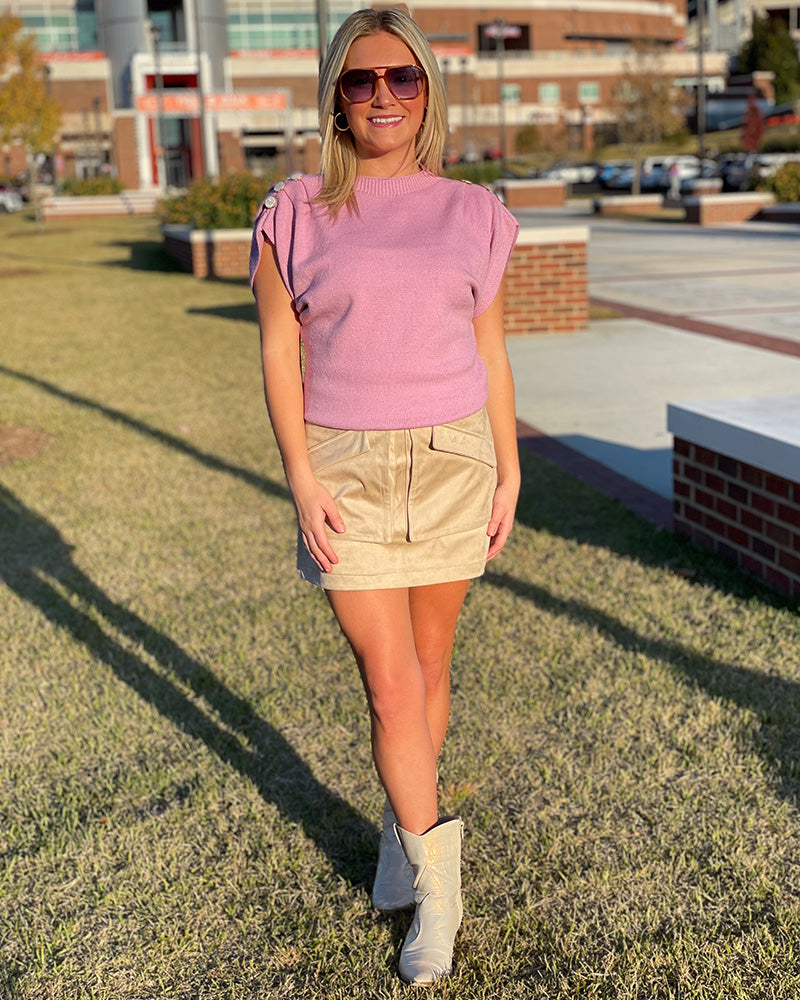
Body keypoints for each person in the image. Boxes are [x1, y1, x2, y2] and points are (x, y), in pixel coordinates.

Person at [250, 7, 519, 985]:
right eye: (360, 80)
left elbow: (489, 349)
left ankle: (403, 843)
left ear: (427, 91)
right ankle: (438, 893)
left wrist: (510, 467)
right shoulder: (292, 210)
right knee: (390, 681)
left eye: (402, 78)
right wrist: (300, 477)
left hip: (453, 462)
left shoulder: (473, 211)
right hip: (346, 471)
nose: (381, 97)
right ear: (334, 97)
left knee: (433, 663)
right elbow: (278, 351)